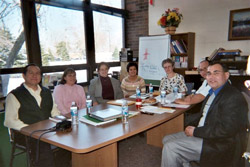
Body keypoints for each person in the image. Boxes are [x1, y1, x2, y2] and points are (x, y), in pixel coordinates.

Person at [161, 62, 249, 167]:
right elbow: (203, 115)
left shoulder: (232, 96)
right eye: (208, 73)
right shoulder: (213, 92)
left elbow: (226, 129)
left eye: (216, 73)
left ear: (226, 75)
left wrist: (196, 131)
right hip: (206, 133)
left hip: (219, 143)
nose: (211, 77)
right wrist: (185, 121)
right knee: (166, 139)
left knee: (171, 147)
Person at [4, 64, 69, 167]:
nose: (35, 75)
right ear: (24, 76)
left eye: (37, 73)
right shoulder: (14, 95)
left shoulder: (47, 92)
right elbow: (10, 121)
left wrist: (62, 122)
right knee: (43, 147)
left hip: (47, 130)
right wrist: (30, 130)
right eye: (31, 73)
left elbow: (54, 112)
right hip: (24, 134)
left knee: (68, 141)